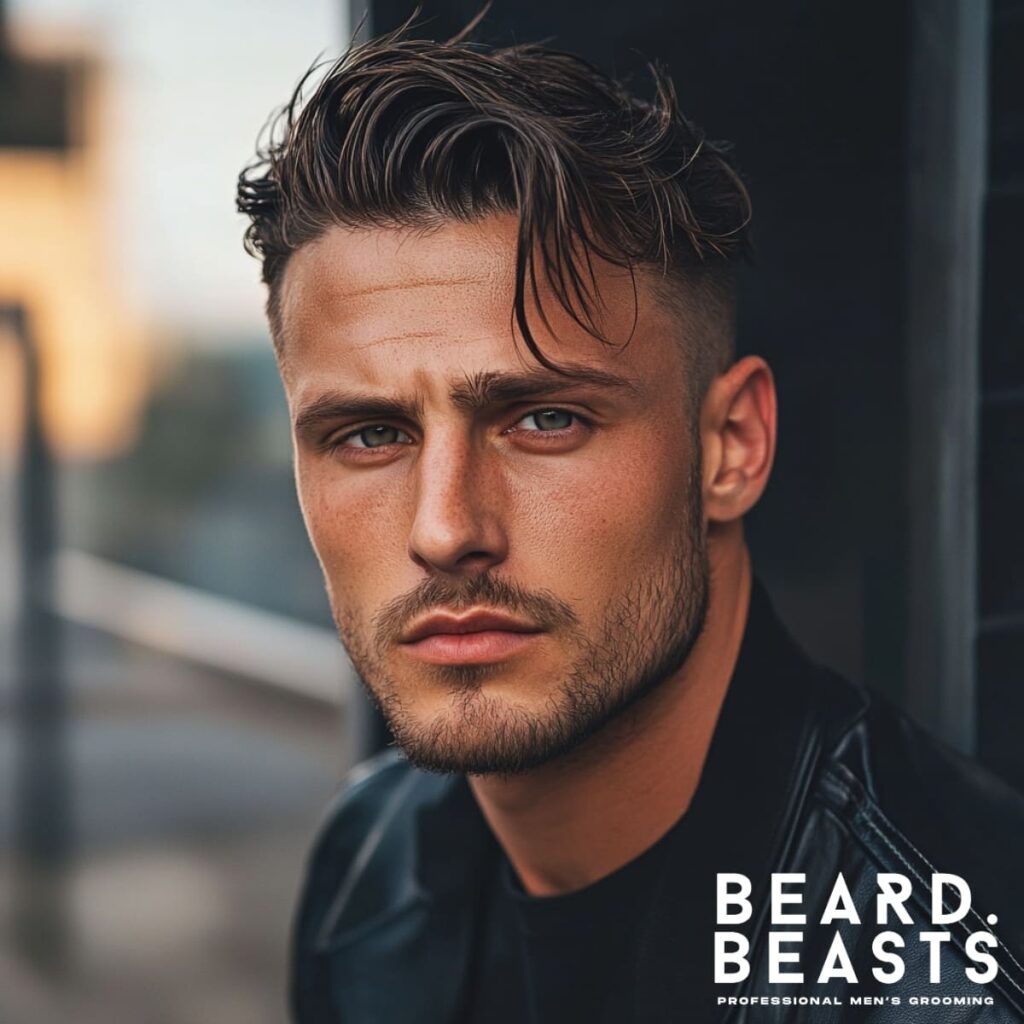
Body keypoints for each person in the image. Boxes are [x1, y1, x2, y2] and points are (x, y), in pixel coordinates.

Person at [236, 24, 1024, 1024]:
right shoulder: (369, 861)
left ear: (729, 446)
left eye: (544, 419)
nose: (443, 529)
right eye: (368, 435)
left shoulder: (947, 972)